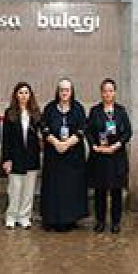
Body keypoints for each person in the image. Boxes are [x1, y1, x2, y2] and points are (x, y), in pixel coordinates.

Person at [39, 78, 89, 232]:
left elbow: (82, 129)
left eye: (67, 90)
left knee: (70, 188)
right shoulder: (50, 108)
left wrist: (66, 144)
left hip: (72, 157)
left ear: (71, 91)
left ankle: (69, 219)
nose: (64, 93)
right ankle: (52, 219)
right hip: (54, 156)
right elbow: (44, 128)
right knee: (54, 188)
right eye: (62, 90)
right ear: (57, 92)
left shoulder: (78, 108)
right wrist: (56, 143)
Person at [86, 78, 133, 233]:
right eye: (105, 91)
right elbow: (89, 131)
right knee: (100, 191)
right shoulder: (95, 111)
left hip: (116, 157)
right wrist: (94, 146)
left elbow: (127, 132)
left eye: (111, 90)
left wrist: (116, 146)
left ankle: (115, 222)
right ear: (101, 93)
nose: (108, 94)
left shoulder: (121, 111)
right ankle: (100, 221)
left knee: (116, 191)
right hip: (99, 156)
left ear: (115, 92)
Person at [2, 82, 41, 230]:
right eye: (20, 93)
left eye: (26, 92)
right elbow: (5, 138)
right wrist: (6, 159)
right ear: (16, 95)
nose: (23, 95)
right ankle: (11, 216)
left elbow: (40, 134)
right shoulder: (10, 113)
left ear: (30, 95)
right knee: (15, 188)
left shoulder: (36, 113)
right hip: (15, 156)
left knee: (28, 190)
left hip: (31, 156)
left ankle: (24, 216)